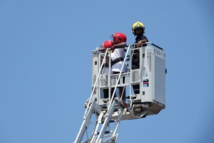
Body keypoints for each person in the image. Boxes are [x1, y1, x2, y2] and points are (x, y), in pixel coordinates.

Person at [131, 21, 149, 94]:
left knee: (138, 77)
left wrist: (141, 42)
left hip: (139, 61)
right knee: (134, 78)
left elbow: (146, 40)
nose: (138, 31)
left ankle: (139, 92)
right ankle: (136, 93)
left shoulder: (142, 37)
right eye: (137, 30)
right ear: (134, 31)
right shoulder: (136, 39)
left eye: (140, 29)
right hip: (135, 61)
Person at [110, 32, 128, 101]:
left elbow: (124, 44)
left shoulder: (120, 46)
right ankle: (117, 98)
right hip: (116, 67)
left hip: (119, 67)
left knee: (120, 85)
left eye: (114, 38)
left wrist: (114, 46)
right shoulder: (115, 47)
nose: (113, 40)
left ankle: (121, 99)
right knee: (116, 85)